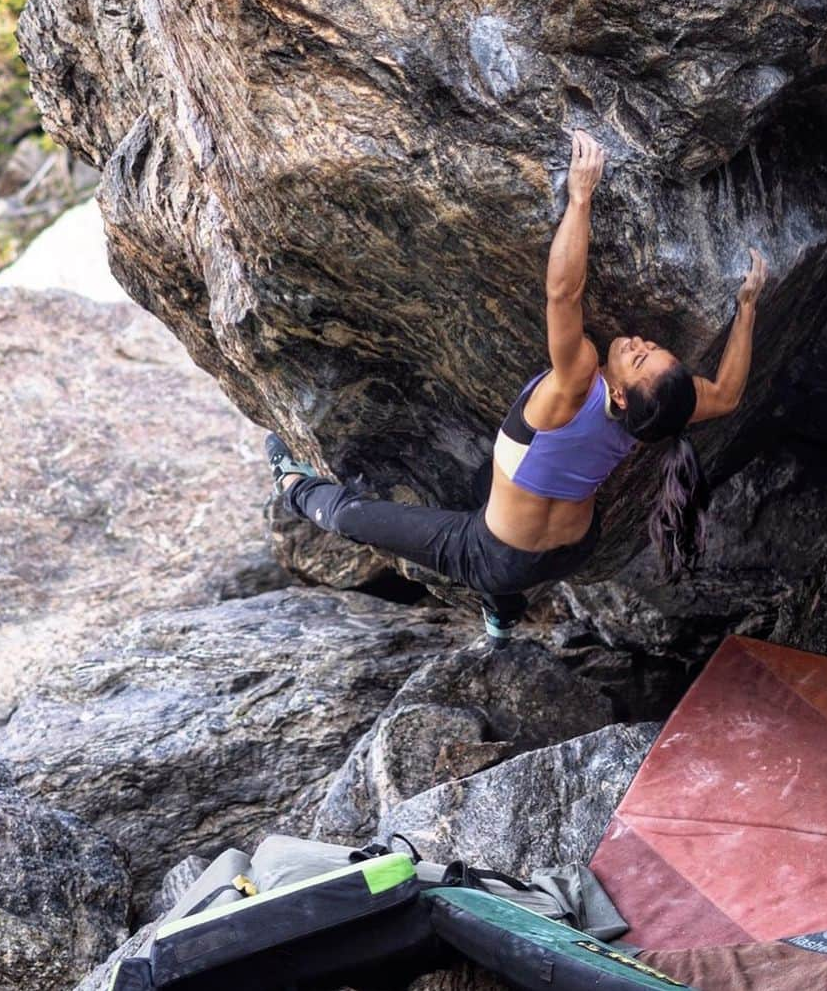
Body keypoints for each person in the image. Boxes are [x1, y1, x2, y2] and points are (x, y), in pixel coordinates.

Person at [266, 130, 769, 644]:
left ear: (619, 394)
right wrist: (747, 309)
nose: (638, 341)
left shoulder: (578, 381)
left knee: (352, 516)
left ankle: (293, 487)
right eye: (652, 346)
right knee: (488, 480)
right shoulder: (661, 411)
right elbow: (726, 396)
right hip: (574, 548)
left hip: (494, 554)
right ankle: (503, 612)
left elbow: (563, 293)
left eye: (638, 357)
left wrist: (581, 197)